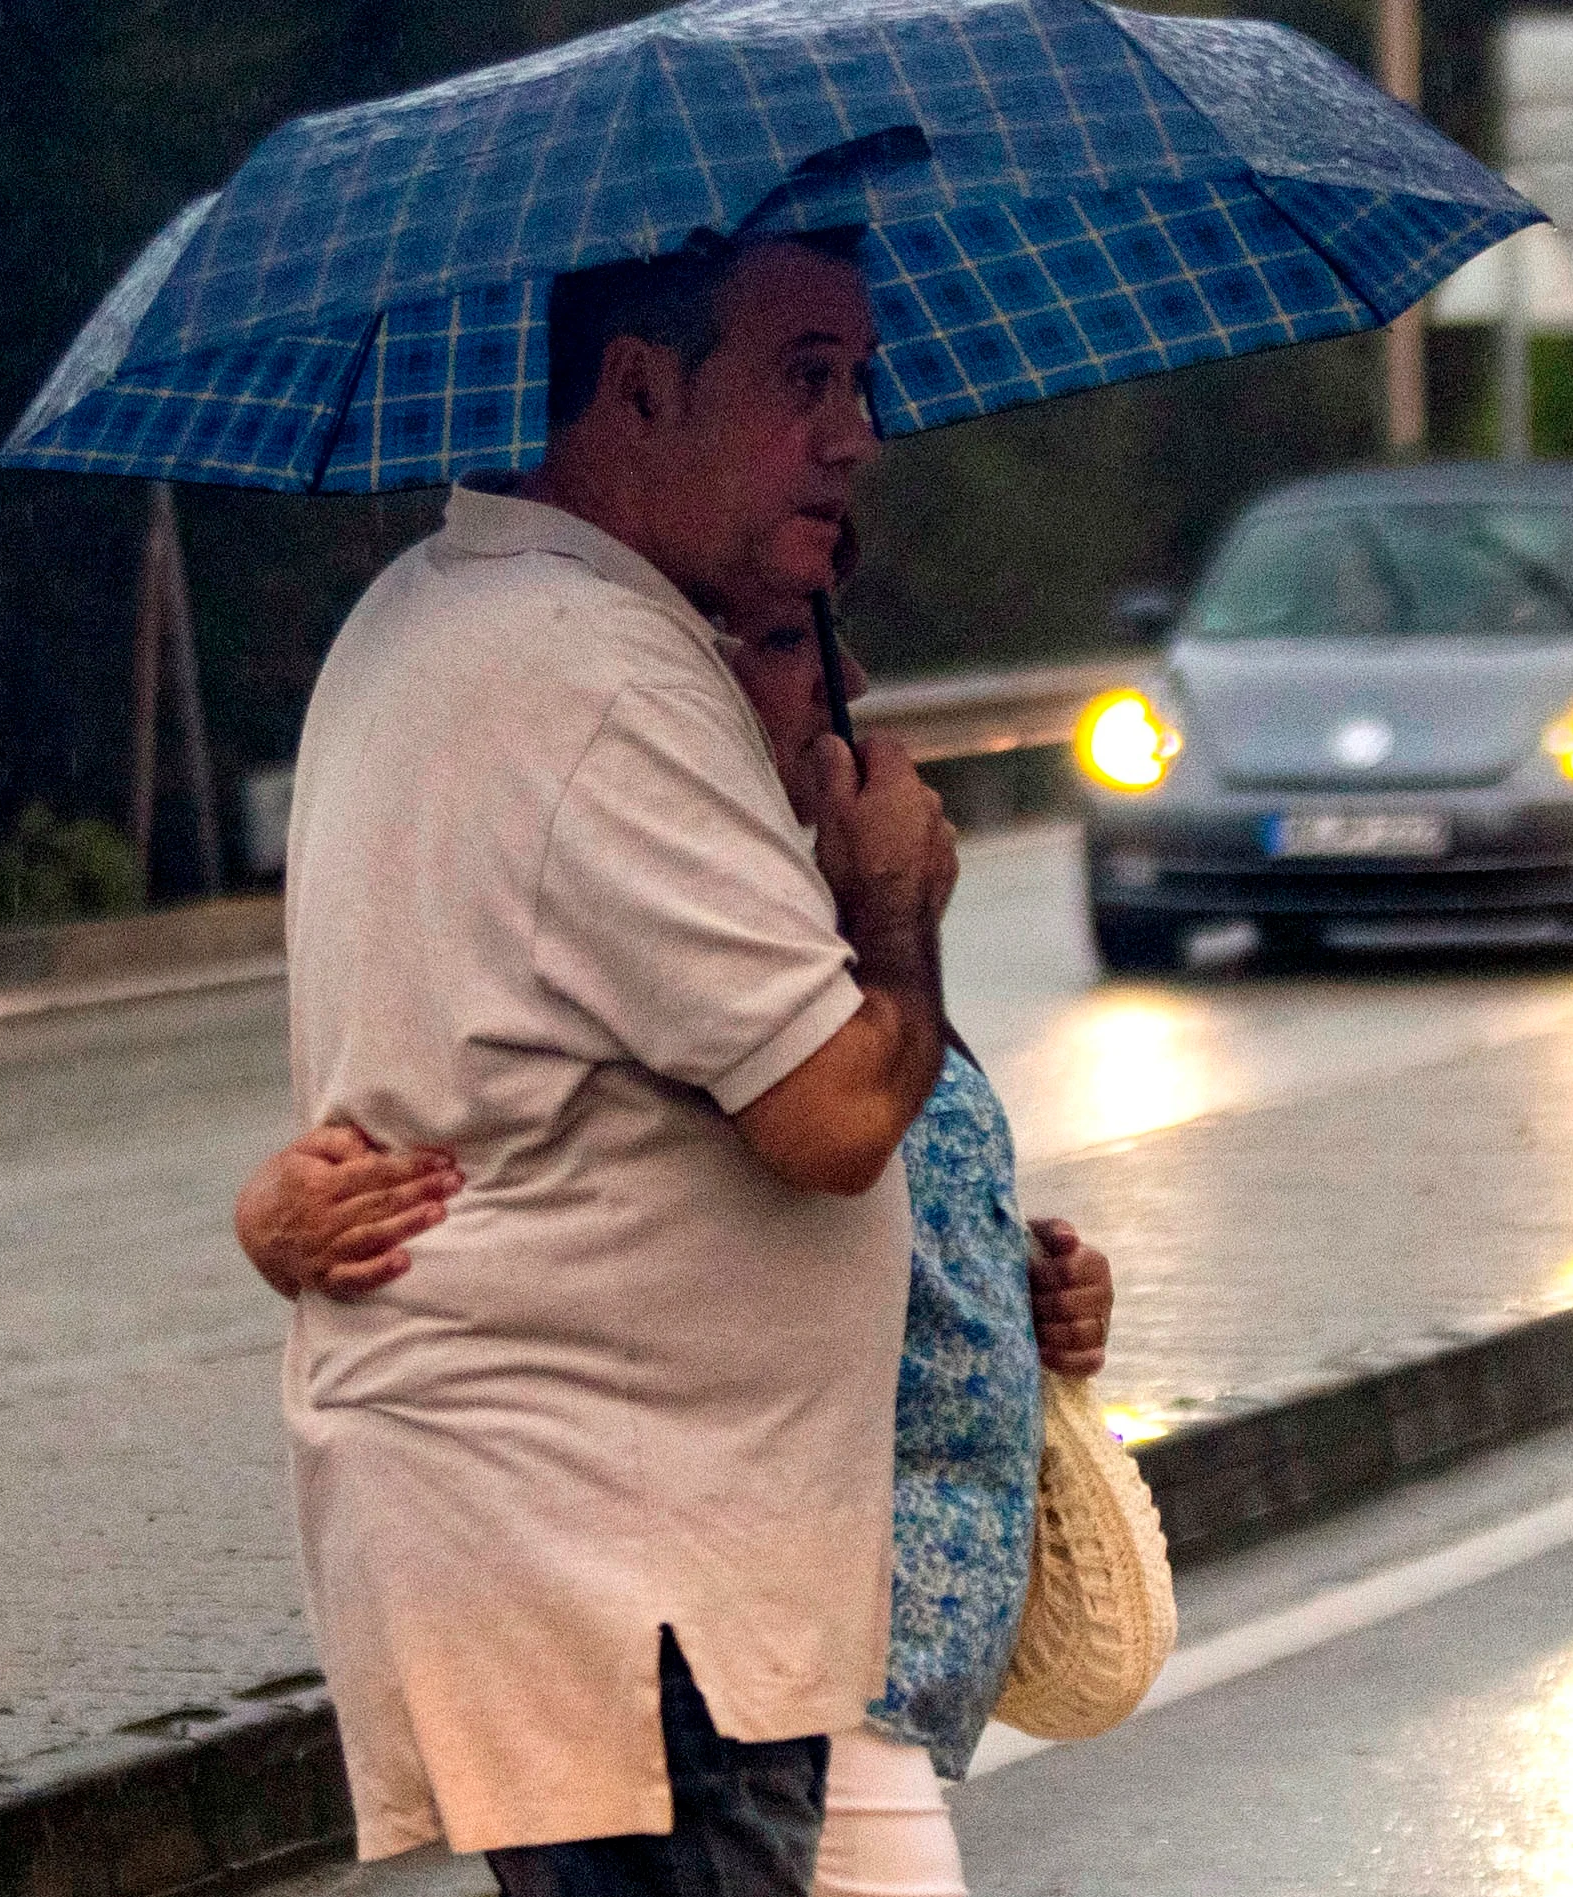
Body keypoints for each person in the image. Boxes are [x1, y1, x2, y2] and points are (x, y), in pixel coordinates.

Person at [272, 225, 956, 1893]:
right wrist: (899, 911)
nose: (856, 430)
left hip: (594, 1553)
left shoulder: (435, 609)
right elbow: (833, 1115)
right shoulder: (597, 673)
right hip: (633, 1572)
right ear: (641, 387)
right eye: (805, 379)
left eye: (858, 379)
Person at [244, 591, 1116, 1896]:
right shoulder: (703, 909)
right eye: (781, 642)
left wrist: (1035, 1281)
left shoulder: (811, 948)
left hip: (868, 1656)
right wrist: (271, 1224)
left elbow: (861, 1206)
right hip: (779, 1647)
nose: (846, 673)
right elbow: (518, 1176)